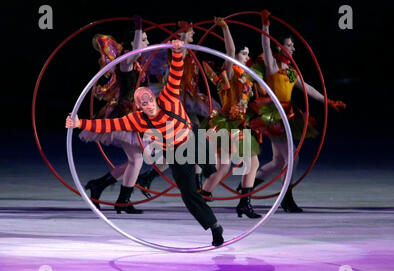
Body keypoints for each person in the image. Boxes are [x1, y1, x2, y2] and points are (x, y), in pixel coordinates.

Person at [66, 40, 224, 247]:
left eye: (149, 100)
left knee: (212, 170)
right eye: (143, 103)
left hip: (193, 139)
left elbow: (176, 74)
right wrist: (80, 123)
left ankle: (200, 171)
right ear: (138, 107)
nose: (148, 105)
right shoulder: (138, 119)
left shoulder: (168, 97)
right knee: (188, 194)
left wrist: (177, 52)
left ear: (155, 98)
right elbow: (108, 125)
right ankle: (214, 227)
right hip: (176, 153)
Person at [249, 10, 346, 212]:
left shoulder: (291, 71)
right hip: (274, 115)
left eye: (293, 45)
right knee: (292, 158)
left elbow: (307, 87)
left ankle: (247, 189)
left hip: (288, 116)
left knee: (278, 161)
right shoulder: (272, 67)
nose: (293, 48)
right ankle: (286, 198)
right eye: (289, 45)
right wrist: (265, 26)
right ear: (280, 46)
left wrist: (327, 101)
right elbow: (265, 45)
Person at [136, 21, 221, 197]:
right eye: (191, 33)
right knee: (186, 145)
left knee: (191, 144)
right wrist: (181, 38)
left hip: (189, 98)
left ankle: (152, 177)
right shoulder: (175, 51)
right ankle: (195, 187)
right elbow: (176, 63)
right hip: (177, 100)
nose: (194, 35)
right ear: (182, 35)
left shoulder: (191, 53)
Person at [79, 15, 151, 214]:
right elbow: (136, 51)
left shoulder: (137, 65)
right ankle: (122, 199)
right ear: (132, 43)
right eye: (145, 39)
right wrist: (138, 27)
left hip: (135, 116)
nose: (148, 43)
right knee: (136, 159)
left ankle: (101, 187)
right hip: (122, 117)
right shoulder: (126, 62)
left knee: (134, 159)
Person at [199, 17, 262, 219]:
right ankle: (208, 197)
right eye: (243, 53)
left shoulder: (246, 76)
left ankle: (211, 196)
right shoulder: (231, 72)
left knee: (238, 165)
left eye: (247, 54)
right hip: (226, 124)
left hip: (239, 124)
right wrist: (225, 29)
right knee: (237, 165)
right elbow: (229, 52)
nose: (246, 57)